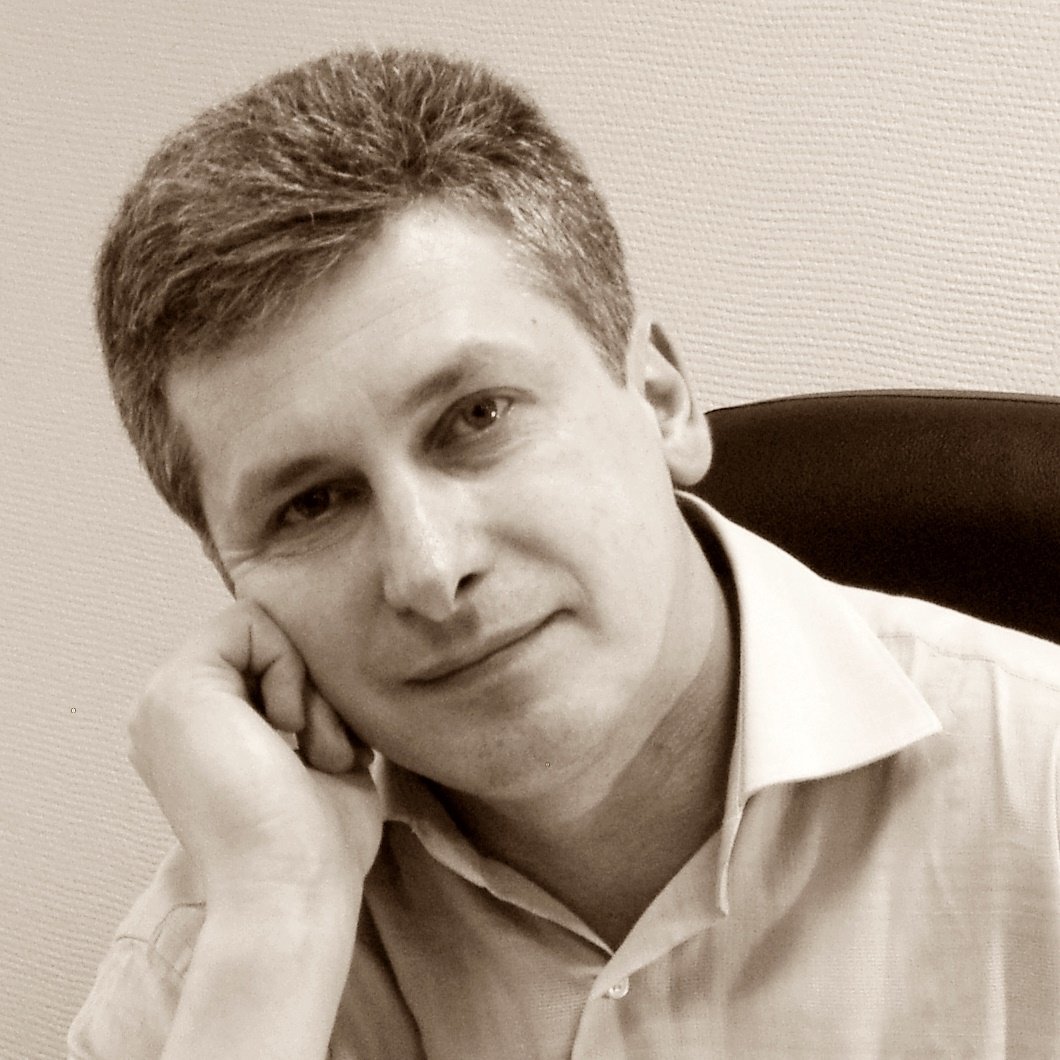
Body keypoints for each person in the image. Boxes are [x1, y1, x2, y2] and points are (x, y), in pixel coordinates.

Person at [69, 49, 1060, 1059]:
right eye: (311, 503)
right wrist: (280, 917)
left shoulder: (1040, 780)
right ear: (233, 581)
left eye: (477, 417)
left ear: (662, 402)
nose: (429, 569)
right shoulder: (216, 954)